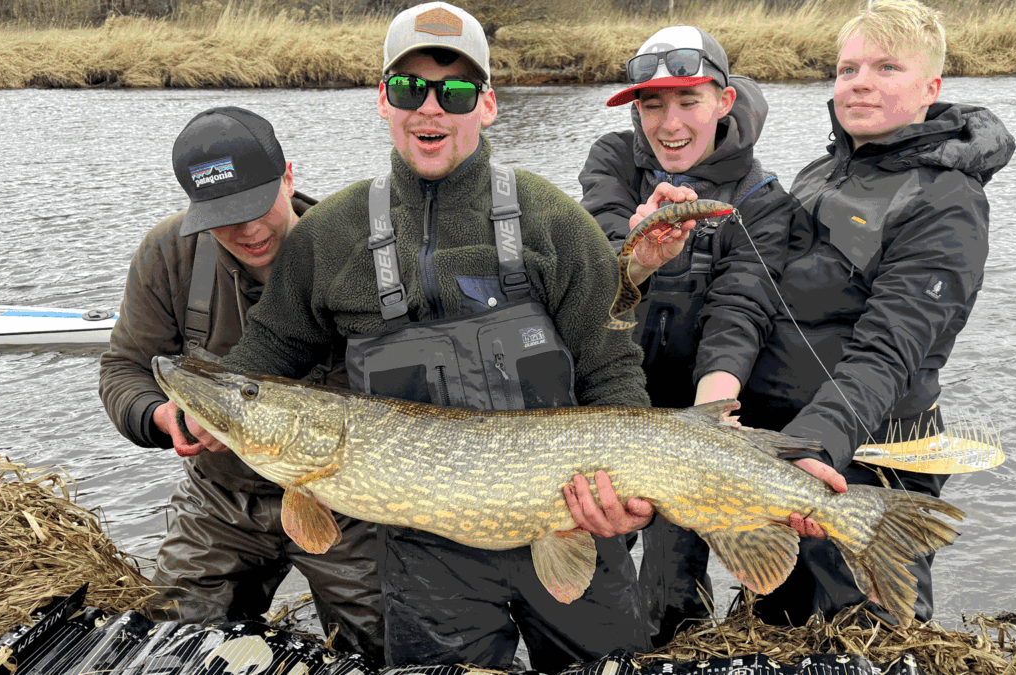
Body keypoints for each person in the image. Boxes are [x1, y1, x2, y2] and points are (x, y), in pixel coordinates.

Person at [208, 3, 652, 671]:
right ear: (384, 100)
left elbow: (613, 371)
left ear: (489, 104)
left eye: (456, 91)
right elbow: (265, 356)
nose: (431, 110)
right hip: (427, 558)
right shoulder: (328, 237)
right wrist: (204, 408)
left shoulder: (553, 221)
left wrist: (625, 500)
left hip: (574, 522)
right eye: (411, 88)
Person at [738, 0, 1015, 626]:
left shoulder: (947, 200)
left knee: (872, 634)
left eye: (886, 67)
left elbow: (890, 350)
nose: (858, 82)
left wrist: (813, 446)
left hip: (869, 456)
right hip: (783, 452)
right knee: (783, 626)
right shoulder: (820, 172)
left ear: (930, 88)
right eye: (846, 69)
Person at [98, 107, 385, 664]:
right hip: (222, 499)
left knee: (383, 646)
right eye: (227, 216)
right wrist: (162, 418)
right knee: (169, 645)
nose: (250, 231)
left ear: (289, 177)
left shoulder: (357, 256)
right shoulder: (169, 255)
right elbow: (124, 370)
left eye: (259, 204)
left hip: (345, 501)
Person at [577, 25, 794, 647]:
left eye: (687, 101)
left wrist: (712, 414)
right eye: (652, 103)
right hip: (606, 410)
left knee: (671, 602)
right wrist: (639, 255)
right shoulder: (613, 159)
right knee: (593, 592)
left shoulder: (763, 199)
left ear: (724, 101)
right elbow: (600, 249)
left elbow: (741, 308)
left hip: (693, 414)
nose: (668, 123)